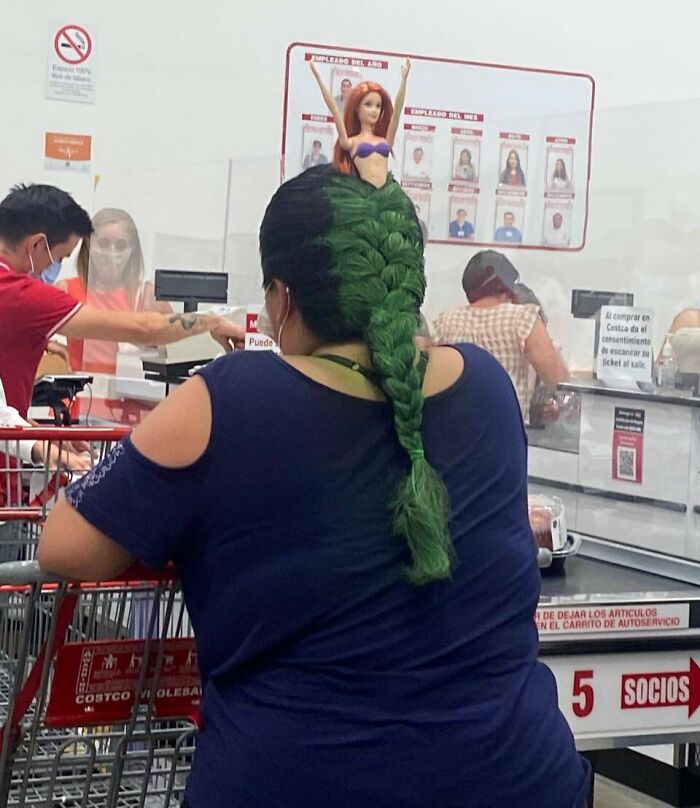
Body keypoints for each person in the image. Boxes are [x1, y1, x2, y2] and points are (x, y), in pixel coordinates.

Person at [39, 166, 590, 808]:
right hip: (520, 777)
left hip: (301, 780)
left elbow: (66, 547)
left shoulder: (232, 396)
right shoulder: (488, 388)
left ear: (281, 299)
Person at [0, 184, 243, 421]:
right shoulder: (23, 293)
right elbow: (145, 329)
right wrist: (212, 321)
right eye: (60, 258)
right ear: (37, 245)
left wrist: (37, 440)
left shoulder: (144, 294)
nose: (55, 268)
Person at [433, 250, 568, 421]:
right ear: (505, 284)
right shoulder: (522, 318)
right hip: (504, 429)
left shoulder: (445, 322)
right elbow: (557, 378)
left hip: (457, 430)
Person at [56, 207, 172, 375]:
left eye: (120, 245)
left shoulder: (148, 296)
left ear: (132, 249)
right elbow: (29, 331)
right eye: (103, 243)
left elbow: (179, 354)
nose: (111, 252)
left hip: (135, 396)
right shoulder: (66, 290)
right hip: (81, 394)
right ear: (89, 245)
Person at [310, 56, 410, 188]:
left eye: (378, 106)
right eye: (368, 104)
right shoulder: (351, 142)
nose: (374, 110)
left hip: (386, 194)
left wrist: (404, 80)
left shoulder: (386, 140)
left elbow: (397, 111)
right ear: (357, 108)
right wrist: (319, 79)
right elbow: (334, 108)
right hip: (363, 196)